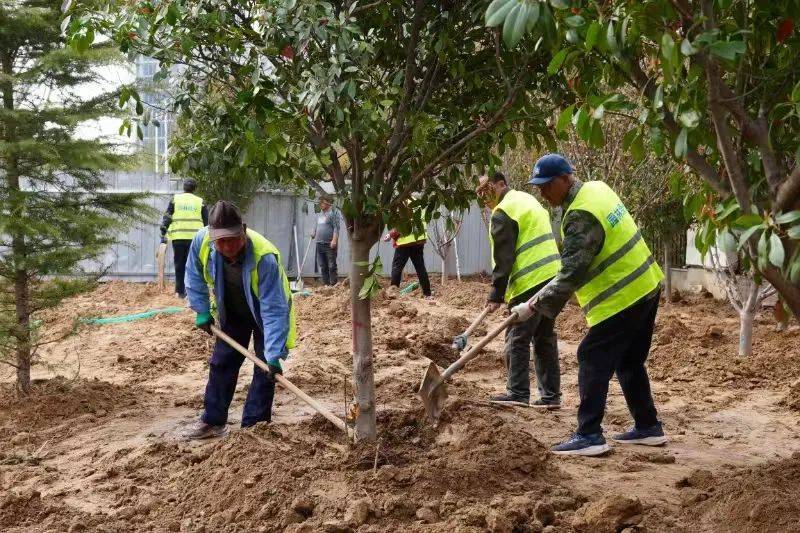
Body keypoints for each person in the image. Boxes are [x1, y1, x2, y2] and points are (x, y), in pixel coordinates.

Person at [512, 153, 666, 456]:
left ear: (565, 178)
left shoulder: (579, 215)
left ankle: (590, 434)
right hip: (646, 284)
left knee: (591, 355)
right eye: (538, 187)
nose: (542, 193)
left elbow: (570, 274)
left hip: (622, 296)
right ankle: (649, 426)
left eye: (546, 186)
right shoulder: (598, 188)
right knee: (629, 360)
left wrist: (531, 308)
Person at [182, 201, 296, 439]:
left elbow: (274, 309)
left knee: (265, 369)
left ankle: (254, 428)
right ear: (212, 236)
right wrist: (202, 310)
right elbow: (193, 275)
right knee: (222, 363)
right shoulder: (202, 242)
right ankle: (213, 421)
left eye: (232, 239)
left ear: (243, 230)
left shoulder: (264, 257)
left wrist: (274, 354)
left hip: (265, 313)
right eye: (220, 241)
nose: (227, 246)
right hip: (233, 310)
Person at [476, 172, 562, 408]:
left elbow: (504, 257)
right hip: (552, 276)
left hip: (530, 279)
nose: (483, 195)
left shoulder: (504, 211)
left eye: (487, 188)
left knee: (517, 334)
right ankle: (551, 396)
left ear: (501, 184)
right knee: (544, 336)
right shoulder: (525, 200)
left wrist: (496, 294)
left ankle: (517, 392)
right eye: (480, 191)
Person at [160, 178, 208, 298]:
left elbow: (167, 217)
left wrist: (163, 233)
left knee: (179, 264)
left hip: (179, 238)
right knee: (193, 265)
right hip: (195, 239)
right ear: (195, 188)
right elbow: (207, 222)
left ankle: (179, 291)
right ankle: (191, 291)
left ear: (183, 188)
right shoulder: (200, 202)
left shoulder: (175, 199)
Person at [385, 203, 432, 298]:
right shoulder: (419, 203)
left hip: (405, 241)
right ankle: (427, 294)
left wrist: (390, 235)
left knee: (397, 267)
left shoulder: (403, 204)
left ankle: (393, 294)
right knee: (420, 268)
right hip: (418, 240)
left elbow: (402, 225)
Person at [311, 194, 340, 286]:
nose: (321, 204)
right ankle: (326, 285)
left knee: (331, 266)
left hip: (329, 244)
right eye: (320, 202)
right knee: (323, 266)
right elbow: (316, 226)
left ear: (328, 203)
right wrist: (313, 232)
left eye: (323, 202)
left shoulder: (333, 213)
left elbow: (336, 228)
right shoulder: (319, 215)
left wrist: (334, 240)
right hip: (319, 244)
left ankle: (333, 284)